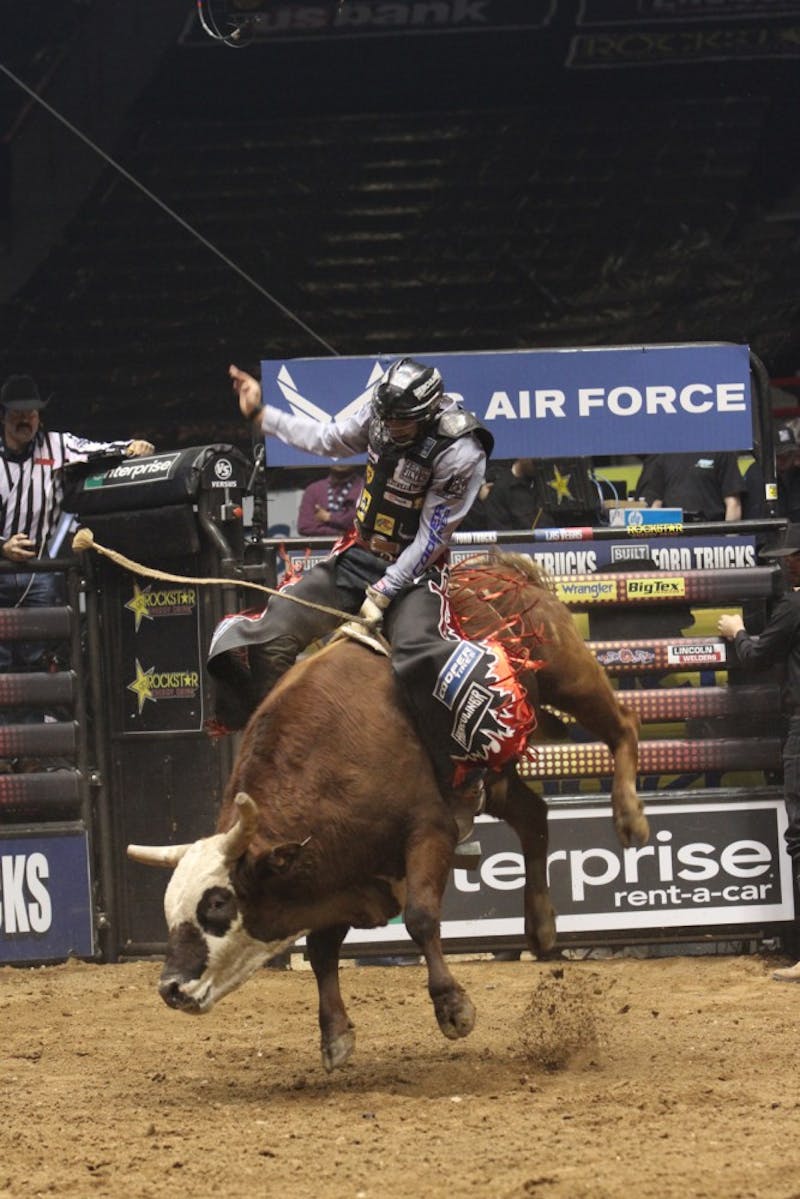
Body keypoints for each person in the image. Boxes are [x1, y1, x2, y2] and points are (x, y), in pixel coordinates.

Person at [208, 358, 535, 824]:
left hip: (417, 574)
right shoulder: (380, 409)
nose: (390, 427)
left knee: (423, 658)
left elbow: (431, 539)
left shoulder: (460, 451)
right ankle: (282, 758)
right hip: (357, 554)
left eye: (402, 421)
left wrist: (384, 591)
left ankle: (456, 786)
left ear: (425, 414)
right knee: (268, 631)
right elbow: (329, 439)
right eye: (388, 418)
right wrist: (262, 416)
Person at [0, 373, 154, 690]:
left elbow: (97, 449)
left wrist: (130, 447)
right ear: (4, 415)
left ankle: (38, 723)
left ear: (39, 415)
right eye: (18, 412)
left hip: (40, 572)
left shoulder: (57, 444)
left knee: (39, 654)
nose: (25, 419)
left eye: (31, 412)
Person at [717, 523, 800, 982]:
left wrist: (739, 632)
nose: (786, 564)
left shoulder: (793, 605)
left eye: (791, 557)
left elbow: (756, 657)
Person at [637, 451, 744, 521]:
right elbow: (654, 506)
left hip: (712, 535)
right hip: (672, 539)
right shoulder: (661, 454)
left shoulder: (720, 450)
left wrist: (729, 543)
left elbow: (734, 504)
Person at [742, 423, 800, 523]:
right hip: (767, 533)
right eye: (780, 455)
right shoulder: (756, 476)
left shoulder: (796, 476)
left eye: (789, 454)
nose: (785, 459)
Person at [296, 462, 362, 537]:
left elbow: (363, 523)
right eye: (337, 455)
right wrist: (341, 533)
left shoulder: (364, 488)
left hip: (357, 547)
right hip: (321, 548)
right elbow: (305, 527)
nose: (341, 459)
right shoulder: (313, 490)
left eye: (347, 456)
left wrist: (329, 517)